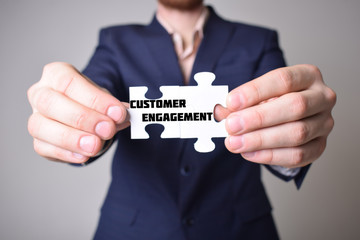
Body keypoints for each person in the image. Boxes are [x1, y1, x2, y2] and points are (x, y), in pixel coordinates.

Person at [27, 0, 336, 239]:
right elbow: (94, 91)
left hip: (238, 229)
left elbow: (282, 114)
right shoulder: (115, 41)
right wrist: (74, 122)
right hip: (132, 230)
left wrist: (295, 139)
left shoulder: (258, 40)